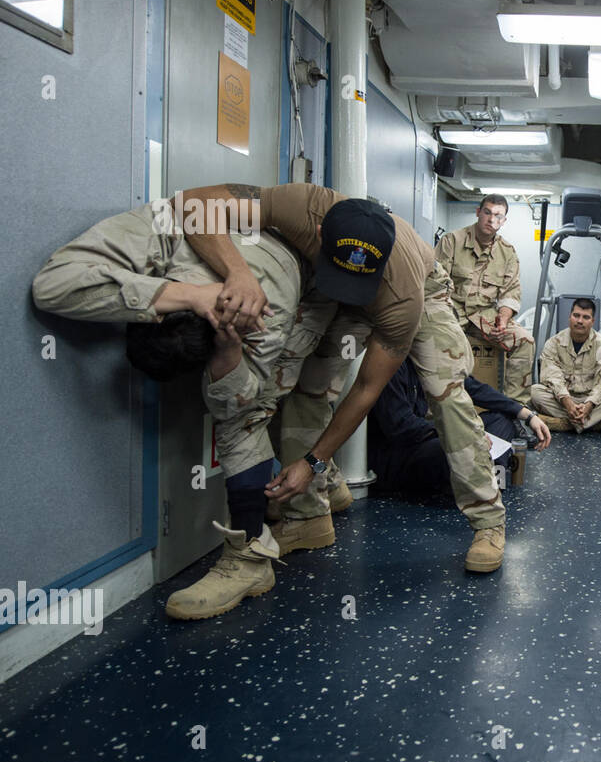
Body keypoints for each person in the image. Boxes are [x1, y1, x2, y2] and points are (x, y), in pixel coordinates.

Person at [175, 182, 508, 578]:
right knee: (304, 387)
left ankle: (488, 521)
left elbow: (367, 389)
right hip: (330, 283)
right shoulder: (303, 206)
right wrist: (238, 273)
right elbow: (195, 203)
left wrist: (315, 461)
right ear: (320, 234)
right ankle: (308, 517)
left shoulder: (401, 296)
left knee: (448, 396)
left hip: (415, 290)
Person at [30, 197, 315, 618]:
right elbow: (51, 284)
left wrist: (227, 353)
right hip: (219, 231)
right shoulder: (164, 231)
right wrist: (182, 294)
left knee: (256, 411)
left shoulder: (265, 315)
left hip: (305, 269)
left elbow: (243, 400)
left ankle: (255, 553)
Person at [369, 356, 551, 499]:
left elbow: (473, 388)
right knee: (447, 448)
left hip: (429, 435)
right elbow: (401, 427)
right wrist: (460, 433)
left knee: (500, 419)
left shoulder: (429, 360)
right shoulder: (391, 365)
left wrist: (526, 414)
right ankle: (484, 472)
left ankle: (487, 473)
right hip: (401, 452)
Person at [433, 194, 535, 402]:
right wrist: (446, 320)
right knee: (434, 342)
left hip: (485, 315)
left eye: (498, 216)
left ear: (503, 221)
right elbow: (436, 284)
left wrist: (502, 322)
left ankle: (515, 408)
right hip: (451, 310)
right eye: (487, 212)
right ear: (478, 213)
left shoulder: (507, 252)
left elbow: (510, 293)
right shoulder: (452, 241)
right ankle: (433, 409)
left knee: (525, 341)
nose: (491, 220)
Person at [530, 297, 601, 432]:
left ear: (592, 321)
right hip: (563, 400)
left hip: (593, 401)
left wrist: (589, 404)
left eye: (586, 317)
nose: (579, 321)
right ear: (570, 317)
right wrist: (568, 402)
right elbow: (552, 377)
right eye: (576, 315)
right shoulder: (554, 343)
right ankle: (597, 423)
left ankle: (564, 423)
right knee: (534, 392)